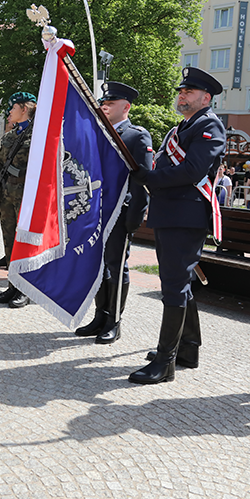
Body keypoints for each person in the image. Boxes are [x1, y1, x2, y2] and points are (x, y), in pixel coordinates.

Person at [129, 67, 226, 384]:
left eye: (189, 92)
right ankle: (188, 348)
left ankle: (165, 361)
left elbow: (192, 170)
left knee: (173, 286)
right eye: (181, 91)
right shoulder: (179, 128)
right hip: (171, 213)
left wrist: (151, 179)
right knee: (177, 282)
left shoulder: (209, 125)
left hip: (187, 216)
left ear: (205, 97)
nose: (181, 95)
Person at [74, 82, 153, 343]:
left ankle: (114, 321)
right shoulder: (98, 133)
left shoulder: (137, 136)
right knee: (98, 265)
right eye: (103, 102)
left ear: (126, 107)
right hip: (97, 210)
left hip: (121, 211)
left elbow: (141, 180)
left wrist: (134, 217)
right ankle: (100, 315)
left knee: (116, 266)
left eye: (111, 103)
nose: (104, 106)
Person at [0, 92, 36, 308]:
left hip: (27, 198)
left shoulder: (38, 135)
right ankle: (13, 286)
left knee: (24, 243)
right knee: (10, 241)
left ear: (24, 109)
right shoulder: (10, 136)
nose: (9, 112)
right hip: (8, 196)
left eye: (12, 108)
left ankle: (26, 289)